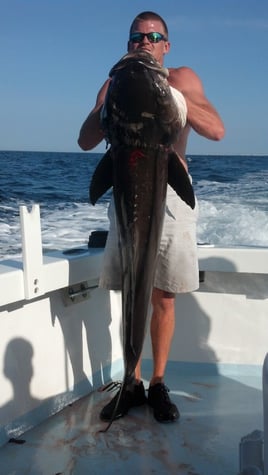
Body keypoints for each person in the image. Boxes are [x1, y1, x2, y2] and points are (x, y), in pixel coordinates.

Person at [78, 11, 225, 423]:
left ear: (166, 45)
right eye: (136, 37)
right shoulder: (114, 83)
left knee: (163, 295)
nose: (144, 42)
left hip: (172, 195)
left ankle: (158, 383)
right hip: (125, 193)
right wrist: (108, 106)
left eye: (153, 36)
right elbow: (86, 141)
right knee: (130, 289)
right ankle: (132, 382)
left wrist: (171, 100)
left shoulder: (182, 78)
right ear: (128, 44)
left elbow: (216, 131)